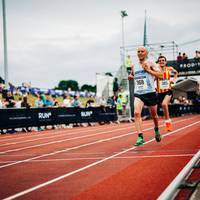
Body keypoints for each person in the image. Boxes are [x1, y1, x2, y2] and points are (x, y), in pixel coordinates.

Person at [128, 46, 163, 146]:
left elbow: (161, 75)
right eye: (138, 51)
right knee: (136, 113)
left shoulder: (151, 63)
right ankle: (140, 136)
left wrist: (148, 70)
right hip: (139, 93)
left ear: (146, 53)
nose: (140, 53)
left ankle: (156, 129)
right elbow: (133, 75)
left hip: (150, 92)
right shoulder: (134, 65)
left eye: (142, 51)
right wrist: (131, 76)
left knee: (154, 116)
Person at [156, 55, 178, 131]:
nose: (161, 62)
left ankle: (167, 123)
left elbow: (176, 73)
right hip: (159, 92)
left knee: (164, 104)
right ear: (158, 62)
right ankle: (167, 119)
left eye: (163, 60)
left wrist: (174, 81)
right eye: (160, 60)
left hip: (168, 91)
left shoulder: (169, 69)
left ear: (166, 62)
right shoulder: (156, 70)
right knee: (163, 106)